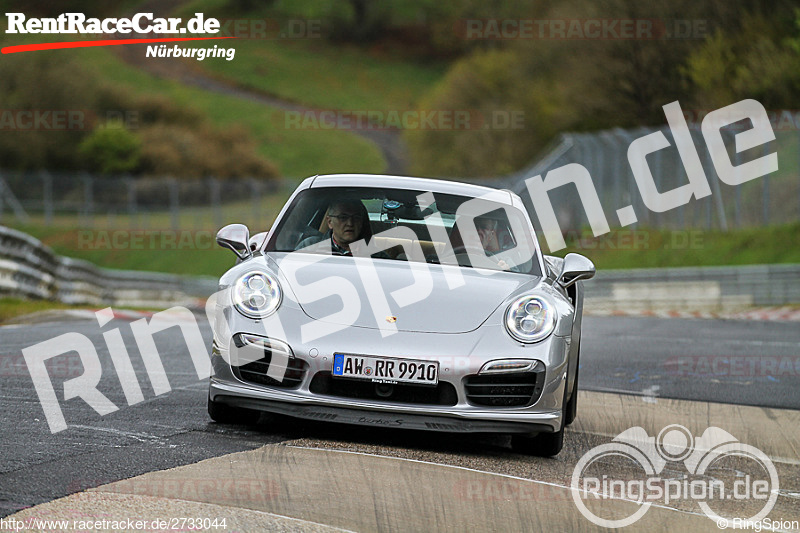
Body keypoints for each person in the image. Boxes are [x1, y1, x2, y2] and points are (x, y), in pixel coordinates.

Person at [295, 199, 373, 256]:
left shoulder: (376, 256)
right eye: (343, 217)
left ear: (361, 222)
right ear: (329, 222)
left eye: (356, 217)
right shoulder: (309, 247)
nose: (350, 223)